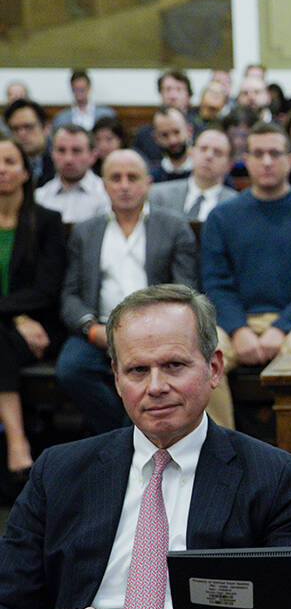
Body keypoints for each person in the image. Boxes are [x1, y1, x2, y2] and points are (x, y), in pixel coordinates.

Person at [0, 283, 291, 609]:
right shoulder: (59, 471)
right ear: (116, 380)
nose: (155, 386)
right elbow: (6, 603)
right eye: (137, 371)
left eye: (174, 365)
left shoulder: (271, 476)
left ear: (214, 369)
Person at [200, 121, 291, 430]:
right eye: (258, 153)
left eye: (274, 153)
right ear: (244, 160)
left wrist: (280, 327)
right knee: (201, 354)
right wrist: (239, 329)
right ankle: (222, 448)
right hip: (237, 322)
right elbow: (216, 284)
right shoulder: (222, 217)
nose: (266, 161)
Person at [56, 149, 198, 434]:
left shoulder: (173, 226)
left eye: (132, 177)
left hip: (156, 332)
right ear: (104, 185)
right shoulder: (86, 231)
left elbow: (186, 290)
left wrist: (156, 327)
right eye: (115, 178)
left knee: (160, 374)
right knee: (70, 370)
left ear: (147, 183)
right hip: (98, 330)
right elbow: (70, 294)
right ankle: (127, 433)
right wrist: (90, 328)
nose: (124, 185)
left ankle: (129, 436)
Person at [0, 133, 66, 483]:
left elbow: (47, 288)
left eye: (10, 162)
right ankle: (17, 444)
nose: (1, 169)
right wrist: (14, 316)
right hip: (16, 325)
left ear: (26, 172)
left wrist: (23, 316)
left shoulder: (47, 221)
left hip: (41, 326)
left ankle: (16, 442)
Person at [145, 128, 237, 222]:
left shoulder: (236, 205)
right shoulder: (158, 195)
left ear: (229, 165)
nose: (208, 156)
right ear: (191, 153)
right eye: (203, 149)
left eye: (217, 153)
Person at [34, 124, 109, 223]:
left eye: (76, 151)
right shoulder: (39, 198)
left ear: (93, 156)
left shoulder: (106, 195)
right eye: (61, 150)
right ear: (52, 154)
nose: (68, 159)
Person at [132, 71, 195, 163]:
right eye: (168, 90)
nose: (173, 96)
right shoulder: (143, 135)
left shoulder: (202, 133)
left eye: (179, 89)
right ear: (160, 93)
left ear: (188, 95)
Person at [4, 99, 55, 188]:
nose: (22, 134)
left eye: (28, 127)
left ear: (45, 128)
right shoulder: (5, 166)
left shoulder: (60, 159)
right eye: (15, 129)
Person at [51, 70, 116, 132]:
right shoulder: (61, 118)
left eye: (82, 90)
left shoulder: (106, 114)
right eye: (76, 90)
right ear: (71, 89)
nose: (79, 94)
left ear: (89, 88)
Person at [147, 107, 193, 183]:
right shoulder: (152, 179)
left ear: (189, 131)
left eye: (176, 132)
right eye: (164, 135)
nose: (172, 141)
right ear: (156, 138)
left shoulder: (204, 173)